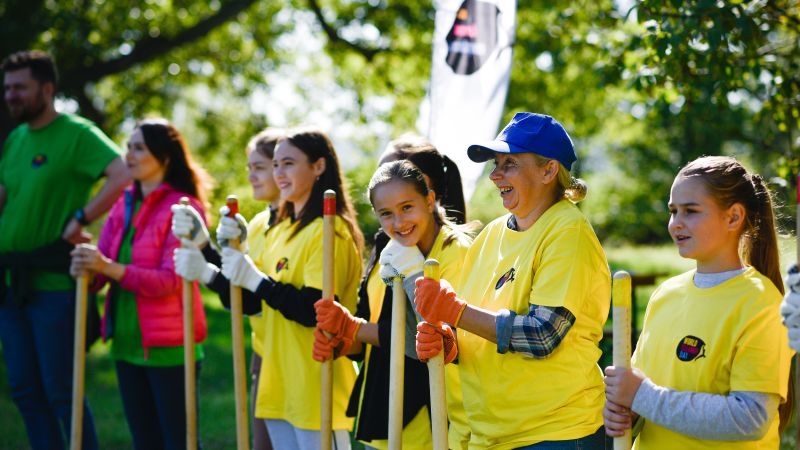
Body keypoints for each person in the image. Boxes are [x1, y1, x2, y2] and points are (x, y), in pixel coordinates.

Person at [414, 112, 612, 449]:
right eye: (496, 164)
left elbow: (543, 334)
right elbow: (477, 326)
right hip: (492, 434)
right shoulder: (491, 234)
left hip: (554, 433)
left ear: (549, 170)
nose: (495, 175)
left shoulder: (567, 231)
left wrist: (455, 312)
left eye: (510, 164)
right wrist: (449, 344)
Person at [174, 127, 364, 449]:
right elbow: (251, 303)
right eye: (275, 164)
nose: (279, 173)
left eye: (288, 164)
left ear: (318, 166)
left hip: (316, 386)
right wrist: (210, 258)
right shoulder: (280, 228)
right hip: (277, 383)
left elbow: (313, 311)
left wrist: (255, 279)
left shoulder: (330, 231)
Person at [603, 156, 793, 449]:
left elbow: (751, 417)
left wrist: (642, 396)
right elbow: (642, 392)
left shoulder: (761, 303)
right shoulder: (665, 295)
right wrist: (626, 411)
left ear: (733, 217)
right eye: (673, 211)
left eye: (690, 211)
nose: (675, 224)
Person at [0, 50, 130, 450]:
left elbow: (123, 173)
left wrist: (81, 215)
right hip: (11, 283)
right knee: (23, 389)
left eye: (20, 87)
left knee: (61, 391)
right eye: (7, 88)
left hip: (55, 283)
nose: (11, 96)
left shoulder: (77, 133)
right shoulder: (17, 138)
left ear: (47, 89)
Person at [313, 148, 475, 448]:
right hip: (386, 404)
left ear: (429, 200)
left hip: (447, 414)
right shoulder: (391, 250)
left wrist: (414, 273)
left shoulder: (457, 252)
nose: (398, 222)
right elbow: (374, 321)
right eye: (386, 213)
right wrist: (343, 337)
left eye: (406, 208)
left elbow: (431, 341)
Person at [70, 118, 210, 450]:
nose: (128, 155)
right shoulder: (124, 203)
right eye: (128, 147)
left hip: (172, 346)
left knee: (179, 442)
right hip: (126, 343)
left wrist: (109, 267)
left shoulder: (185, 209)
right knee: (145, 442)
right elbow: (104, 266)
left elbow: (167, 282)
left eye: (138, 148)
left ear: (164, 158)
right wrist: (87, 268)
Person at [171, 127, 283, 450]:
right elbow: (245, 297)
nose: (252, 176)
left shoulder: (302, 227)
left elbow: (264, 296)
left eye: (259, 167)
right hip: (266, 354)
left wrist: (208, 272)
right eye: (249, 168)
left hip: (299, 359)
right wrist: (205, 245)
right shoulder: (261, 223)